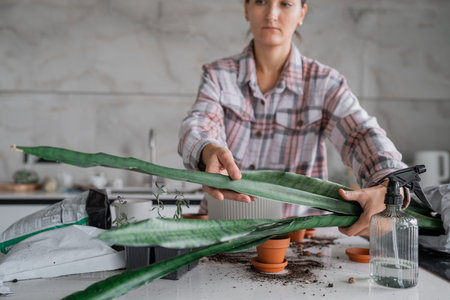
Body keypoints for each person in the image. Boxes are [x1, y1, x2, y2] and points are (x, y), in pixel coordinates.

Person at [178, 0, 409, 236]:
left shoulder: (325, 83)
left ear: (302, 13)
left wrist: (390, 183)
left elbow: (361, 134)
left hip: (301, 243)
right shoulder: (218, 75)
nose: (271, 14)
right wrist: (207, 150)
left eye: (285, 4)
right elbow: (199, 122)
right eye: (260, 2)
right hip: (222, 235)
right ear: (247, 8)